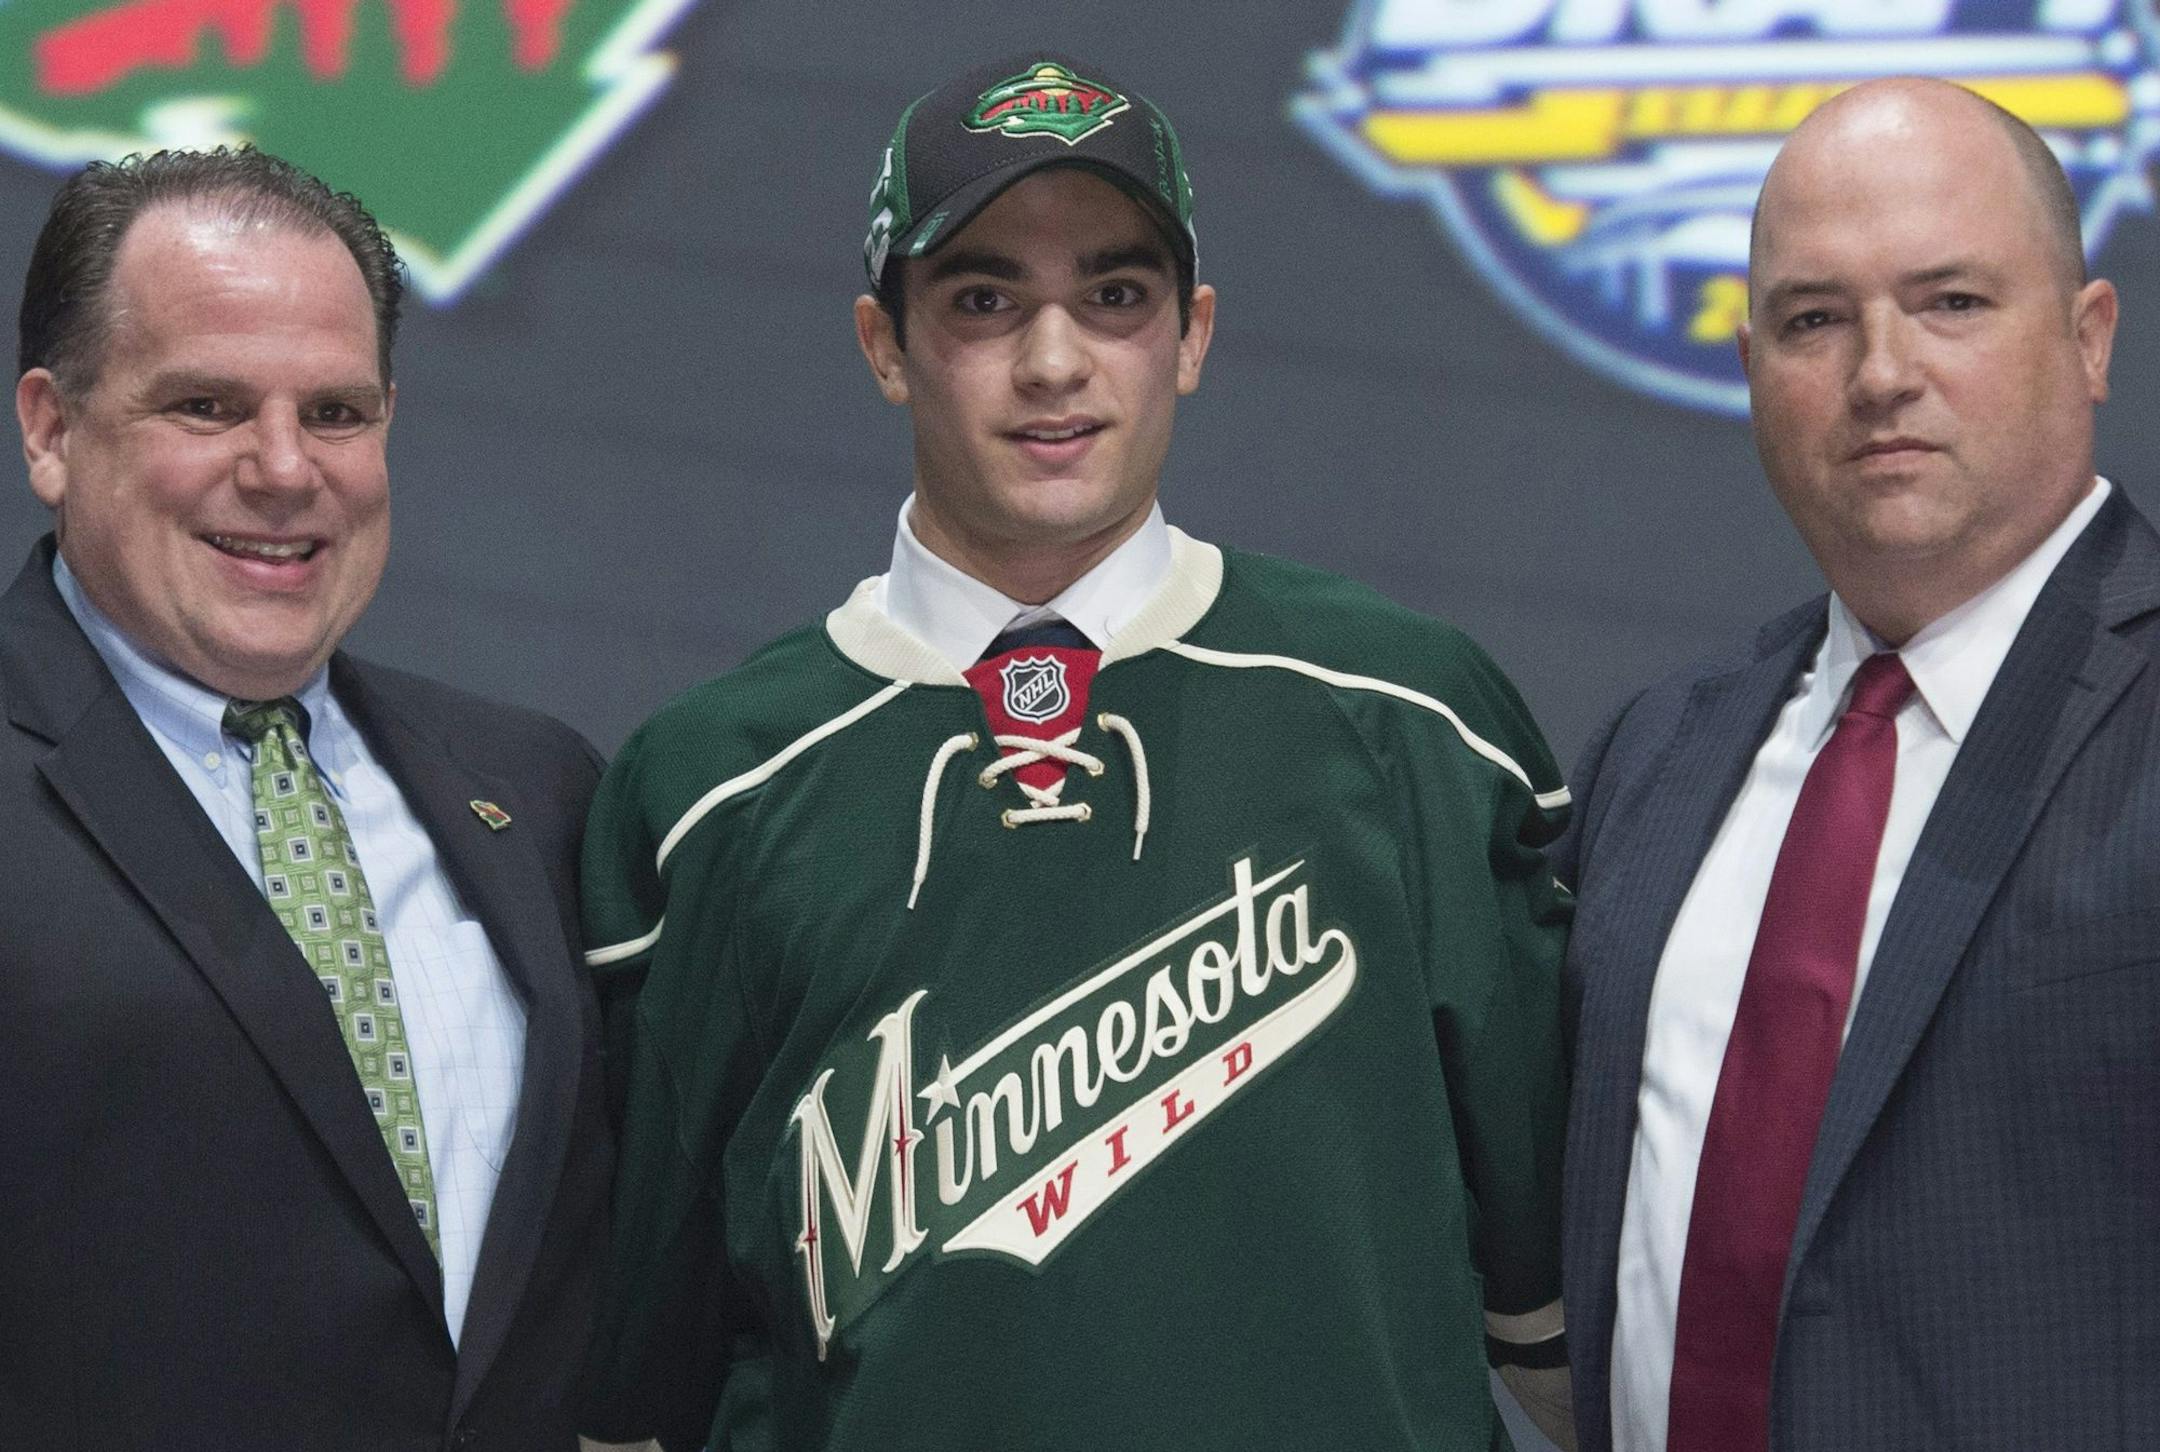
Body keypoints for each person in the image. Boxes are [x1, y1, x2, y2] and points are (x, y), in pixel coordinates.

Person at [578, 52, 1575, 1452]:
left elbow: (1573, 1335)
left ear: (1193, 336)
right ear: (883, 344)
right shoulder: (710, 791)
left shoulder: (1415, 715)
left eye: (1115, 297)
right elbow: (642, 1395)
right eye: (983, 301)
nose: (1054, 363)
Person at [1555, 77, 2149, 1451]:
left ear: (2089, 337)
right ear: (1751, 365)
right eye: (1814, 320)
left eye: (1952, 302)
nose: (1881, 372)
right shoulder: (1658, 750)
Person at [0, 148, 612, 1449]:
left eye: (336, 413)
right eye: (207, 405)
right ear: (51, 430)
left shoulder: (540, 793)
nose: (284, 469)